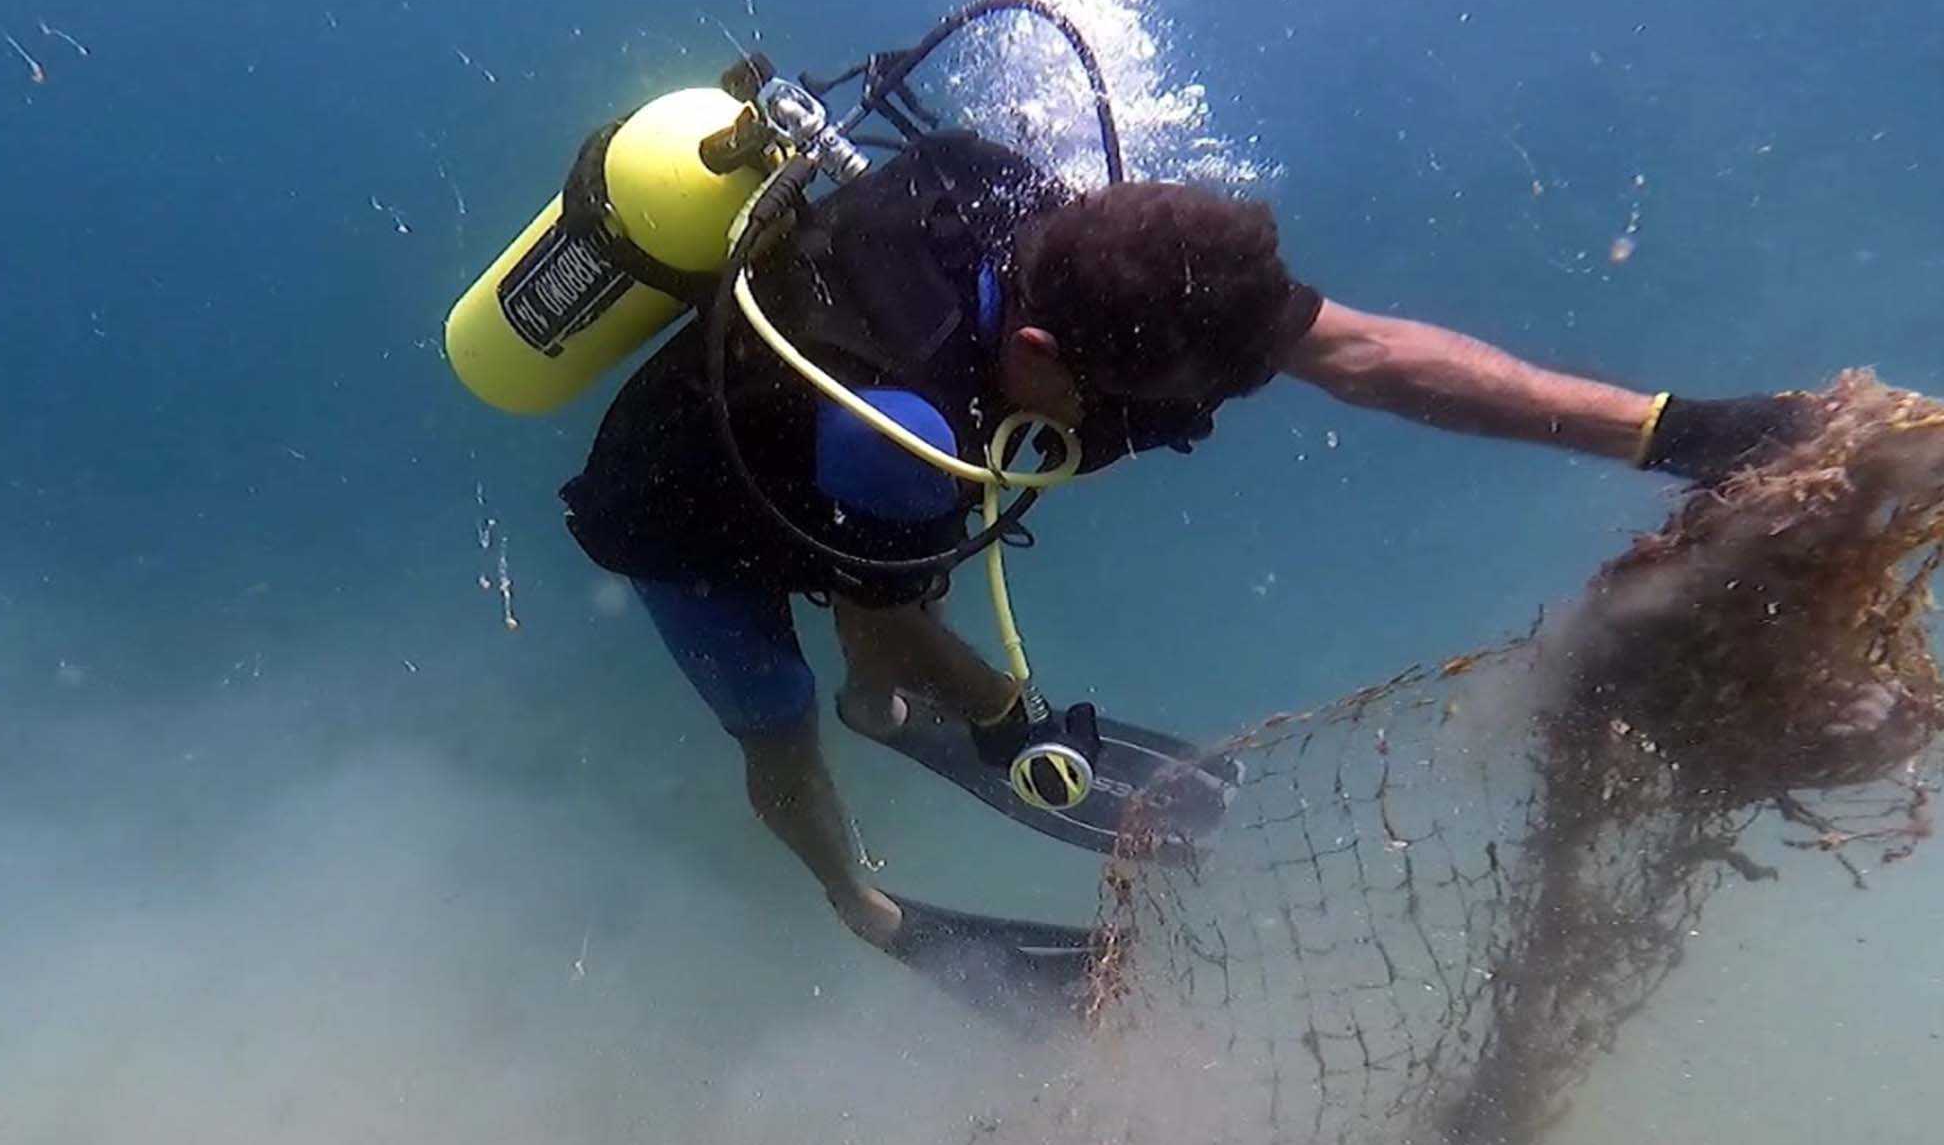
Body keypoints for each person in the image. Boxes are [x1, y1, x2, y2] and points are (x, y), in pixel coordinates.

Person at [558, 129, 1813, 951]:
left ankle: (887, 720)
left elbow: (1369, 355)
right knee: (785, 707)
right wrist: (1009, 716)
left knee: (886, 666)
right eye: (1159, 411)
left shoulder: (1092, 246)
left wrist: (1674, 430)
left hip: (867, 494)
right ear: (1043, 358)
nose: (1185, 430)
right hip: (690, 514)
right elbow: (877, 614)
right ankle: (863, 902)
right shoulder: (902, 426)